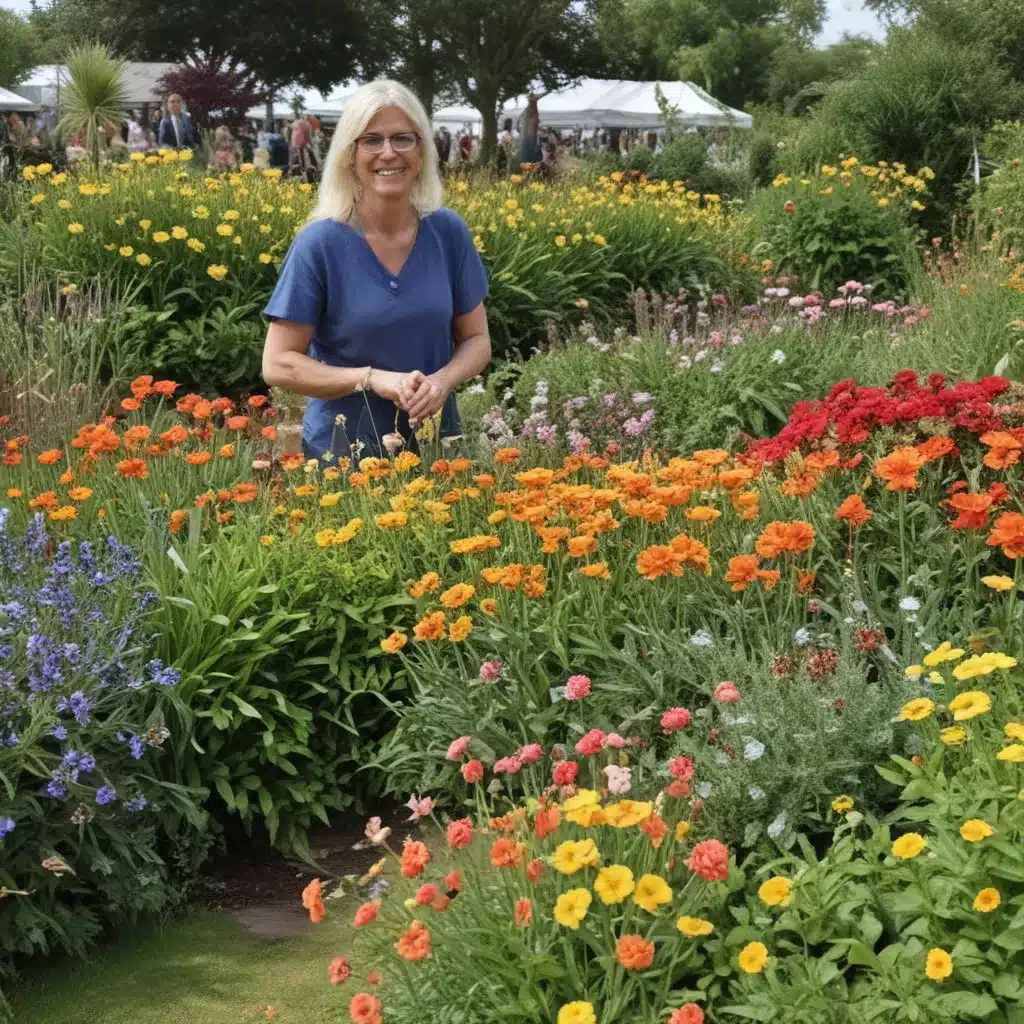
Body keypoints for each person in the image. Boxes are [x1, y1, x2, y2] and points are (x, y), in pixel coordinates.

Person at [262, 80, 491, 465]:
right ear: (350, 155)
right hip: (344, 456)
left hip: (436, 449)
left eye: (403, 138)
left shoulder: (448, 232)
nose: (389, 152)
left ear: (421, 152)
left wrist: (442, 381)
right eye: (371, 140)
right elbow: (278, 363)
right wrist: (372, 378)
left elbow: (477, 341)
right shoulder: (319, 243)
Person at [518, 93, 542, 167]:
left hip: (529, 137)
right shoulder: (528, 111)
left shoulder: (531, 110)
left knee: (528, 152)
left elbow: (534, 121)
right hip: (527, 137)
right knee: (527, 152)